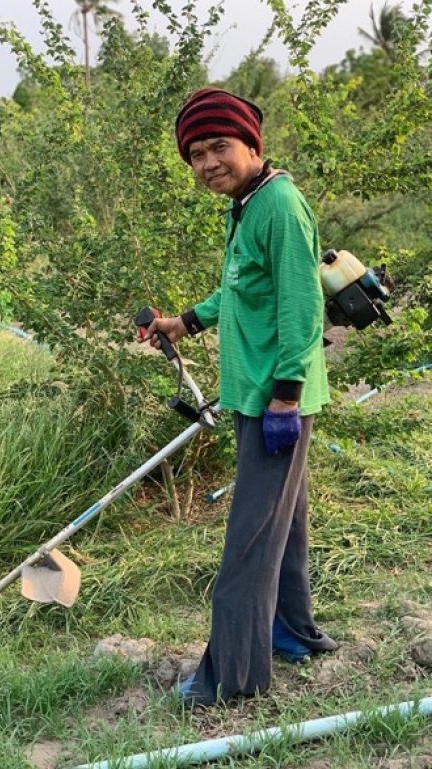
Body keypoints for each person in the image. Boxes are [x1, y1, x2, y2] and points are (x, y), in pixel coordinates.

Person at [139, 88, 338, 707]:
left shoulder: (278, 204)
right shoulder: (248, 205)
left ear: (253, 144)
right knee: (286, 524)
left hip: (276, 398)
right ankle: (291, 631)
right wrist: (187, 321)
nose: (207, 163)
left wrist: (285, 396)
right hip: (260, 392)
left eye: (218, 146)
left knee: (248, 537)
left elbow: (302, 306)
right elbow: (248, 291)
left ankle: (232, 676)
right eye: (195, 154)